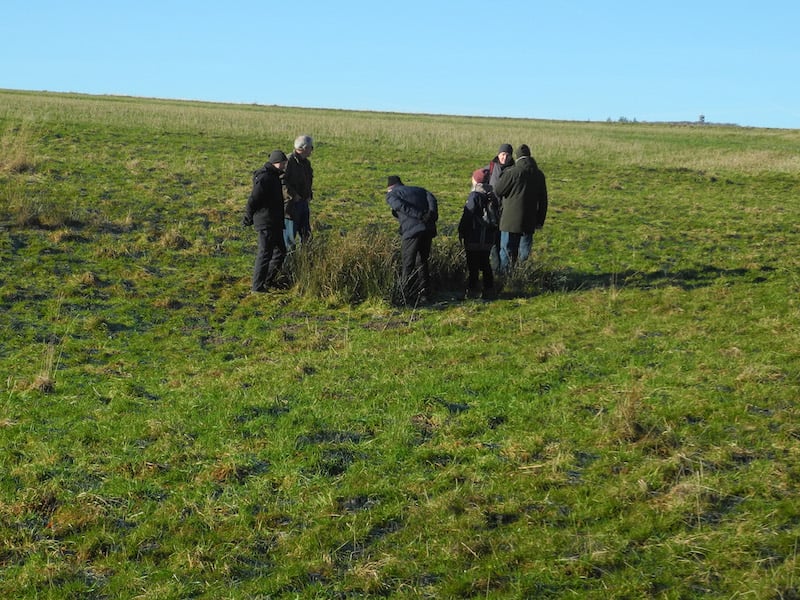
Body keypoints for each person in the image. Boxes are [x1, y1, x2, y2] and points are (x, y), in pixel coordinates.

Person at [493, 144, 548, 272]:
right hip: (530, 220)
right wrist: (540, 221)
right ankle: (522, 275)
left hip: (509, 221)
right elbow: (543, 200)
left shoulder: (513, 172)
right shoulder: (539, 175)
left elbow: (498, 190)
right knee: (524, 253)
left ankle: (505, 278)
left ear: (517, 157)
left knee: (507, 250)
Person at [385, 175, 439, 304]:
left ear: (389, 188)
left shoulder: (392, 195)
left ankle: (403, 296)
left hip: (412, 232)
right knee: (422, 262)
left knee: (407, 263)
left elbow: (400, 206)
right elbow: (432, 199)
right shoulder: (421, 190)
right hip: (428, 229)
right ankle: (425, 295)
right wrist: (431, 215)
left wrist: (419, 215)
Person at [242, 150, 289, 292]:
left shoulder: (273, 176)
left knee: (280, 252)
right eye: (283, 164)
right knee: (265, 254)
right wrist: (248, 217)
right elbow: (254, 199)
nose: (285, 167)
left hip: (274, 221)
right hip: (266, 222)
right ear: (277, 163)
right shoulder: (265, 177)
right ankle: (257, 286)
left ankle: (267, 281)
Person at [458, 168, 500, 299]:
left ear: (476, 180)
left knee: (473, 265)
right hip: (487, 237)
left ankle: (472, 291)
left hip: (474, 236)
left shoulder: (474, 196)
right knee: (485, 263)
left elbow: (468, 215)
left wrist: (461, 230)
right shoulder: (492, 195)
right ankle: (489, 289)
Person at [485, 143, 514, 270]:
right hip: (492, 210)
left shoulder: (514, 170)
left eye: (508, 155)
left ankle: (503, 270)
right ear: (498, 154)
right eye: (503, 154)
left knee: (505, 243)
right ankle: (495, 269)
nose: (505, 157)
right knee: (493, 242)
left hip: (507, 211)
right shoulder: (491, 168)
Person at [283, 134, 314, 251]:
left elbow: (308, 181)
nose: (312, 150)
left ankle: (305, 261)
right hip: (291, 206)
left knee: (307, 236)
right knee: (290, 239)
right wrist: (293, 196)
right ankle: (288, 264)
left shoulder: (306, 163)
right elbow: (283, 182)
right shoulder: (288, 161)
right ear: (304, 148)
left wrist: (309, 195)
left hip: (303, 204)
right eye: (311, 147)